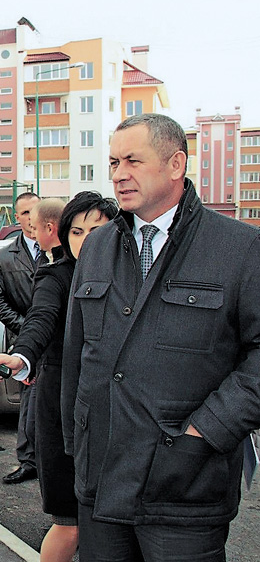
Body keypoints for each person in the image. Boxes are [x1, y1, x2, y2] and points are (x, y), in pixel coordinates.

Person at [62, 113, 260, 561]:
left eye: (133, 161)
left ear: (176, 164)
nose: (118, 175)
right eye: (113, 162)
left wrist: (206, 431)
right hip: (101, 485)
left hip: (185, 488)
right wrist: (75, 444)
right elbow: (77, 354)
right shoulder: (97, 246)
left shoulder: (239, 248)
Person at [0, 192, 117, 562]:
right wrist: (20, 357)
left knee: (113, 523)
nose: (85, 241)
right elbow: (40, 320)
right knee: (70, 521)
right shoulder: (56, 275)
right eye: (76, 232)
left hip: (117, 411)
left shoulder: (132, 275)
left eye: (96, 230)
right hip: (62, 406)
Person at [0, 191, 41, 484]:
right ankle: (27, 461)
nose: (31, 218)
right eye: (25, 213)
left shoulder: (61, 249)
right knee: (28, 401)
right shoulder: (5, 256)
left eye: (36, 210)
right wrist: (27, 329)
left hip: (57, 340)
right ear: (16, 218)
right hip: (23, 340)